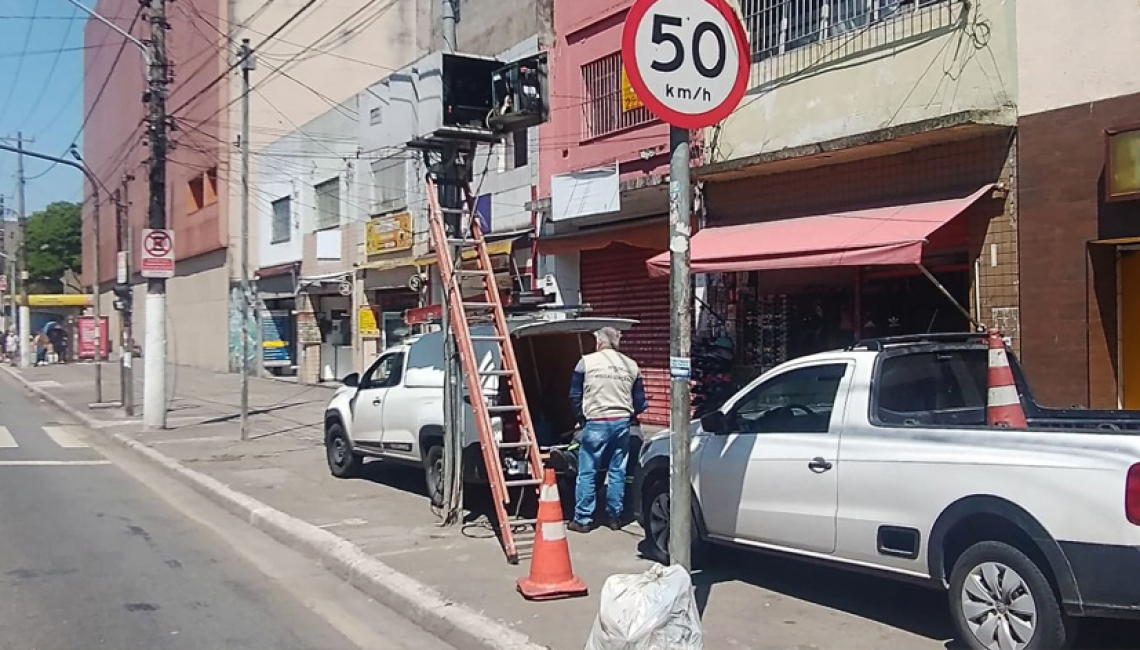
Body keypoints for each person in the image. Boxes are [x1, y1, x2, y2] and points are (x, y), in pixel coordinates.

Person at [567, 327, 648, 533]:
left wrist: (580, 418)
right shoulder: (631, 365)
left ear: (599, 343)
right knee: (617, 471)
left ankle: (583, 519)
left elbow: (574, 395)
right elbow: (640, 401)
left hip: (595, 421)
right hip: (622, 423)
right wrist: (629, 415)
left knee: (587, 471)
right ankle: (614, 517)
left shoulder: (586, 362)